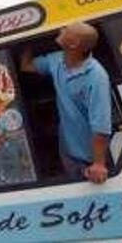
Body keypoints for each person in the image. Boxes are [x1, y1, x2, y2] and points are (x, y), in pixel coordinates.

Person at [20, 22, 112, 184]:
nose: (60, 28)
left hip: (89, 158)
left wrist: (99, 164)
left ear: (74, 43)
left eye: (66, 29)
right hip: (67, 149)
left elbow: (101, 126)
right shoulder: (57, 60)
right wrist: (25, 40)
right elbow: (26, 66)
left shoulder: (96, 76)